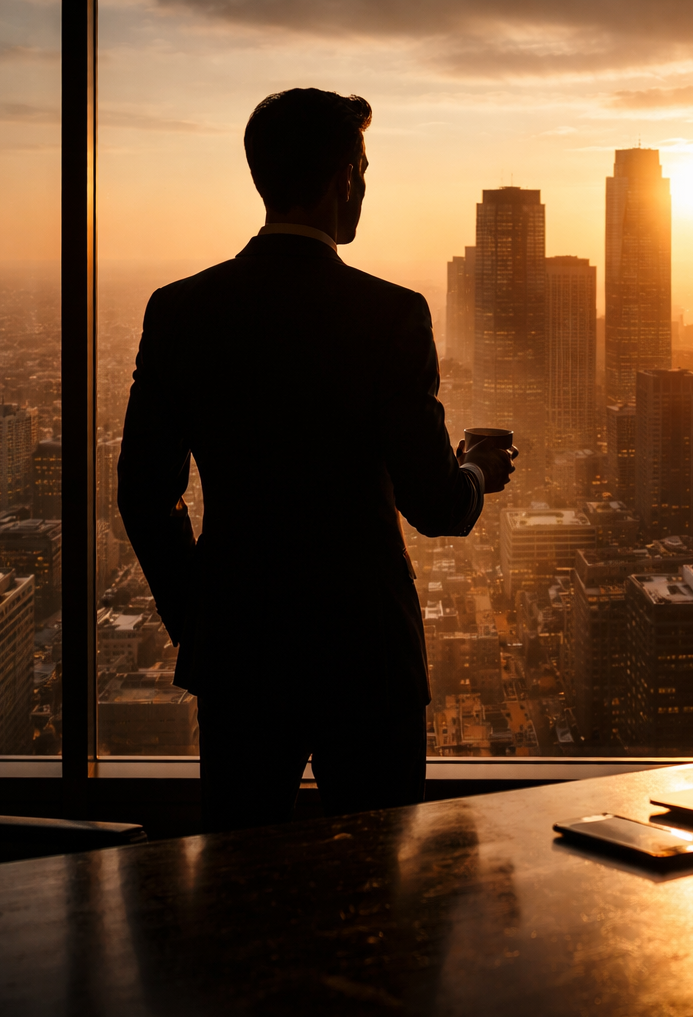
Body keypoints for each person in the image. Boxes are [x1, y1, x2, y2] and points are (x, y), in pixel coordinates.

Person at [118, 88, 515, 833]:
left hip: (239, 654)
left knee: (238, 894)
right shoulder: (391, 314)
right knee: (379, 897)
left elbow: (145, 495)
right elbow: (436, 507)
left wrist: (202, 620)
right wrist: (474, 470)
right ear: (345, 178)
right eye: (363, 166)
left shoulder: (182, 312)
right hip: (366, 656)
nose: (365, 183)